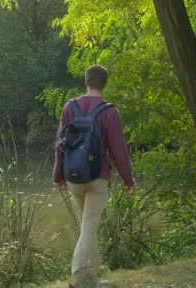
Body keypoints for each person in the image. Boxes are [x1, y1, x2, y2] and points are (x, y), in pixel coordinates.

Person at [52, 64, 135, 288]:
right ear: (104, 83)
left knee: (87, 226)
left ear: (86, 82)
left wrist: (57, 175)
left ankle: (95, 274)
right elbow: (119, 150)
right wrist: (128, 179)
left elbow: (59, 144)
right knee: (89, 226)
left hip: (72, 176)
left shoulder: (69, 107)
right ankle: (79, 276)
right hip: (97, 176)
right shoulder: (109, 111)